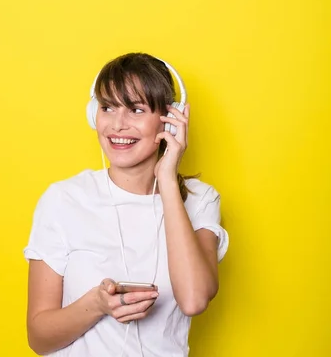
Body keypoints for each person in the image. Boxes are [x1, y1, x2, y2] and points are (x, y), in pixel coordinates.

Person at [24, 52, 229, 356]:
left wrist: (168, 180)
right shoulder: (63, 199)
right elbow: (39, 339)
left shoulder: (200, 200)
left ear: (170, 120)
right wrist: (96, 304)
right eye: (107, 107)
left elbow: (194, 300)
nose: (117, 125)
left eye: (135, 109)